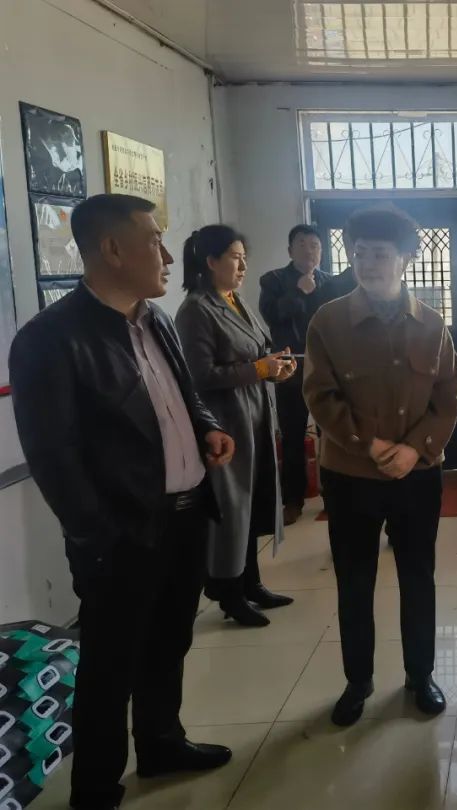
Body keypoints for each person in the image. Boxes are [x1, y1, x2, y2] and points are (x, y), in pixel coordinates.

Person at [9, 195, 236, 810]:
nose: (168, 257)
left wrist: (208, 426)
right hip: (122, 534)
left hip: (187, 514)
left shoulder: (154, 318)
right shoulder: (50, 340)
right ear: (112, 250)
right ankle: (96, 787)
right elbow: (54, 459)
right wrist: (99, 539)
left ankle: (161, 743)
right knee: (110, 665)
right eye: (155, 241)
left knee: (170, 642)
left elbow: (183, 396)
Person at [304, 206, 457, 726]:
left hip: (417, 475)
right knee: (355, 581)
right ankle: (358, 680)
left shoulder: (431, 324)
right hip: (351, 475)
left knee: (418, 577)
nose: (368, 263)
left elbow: (447, 395)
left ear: (406, 258)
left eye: (380, 254)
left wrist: (416, 449)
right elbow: (320, 395)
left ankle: (421, 675)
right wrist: (367, 445)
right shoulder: (328, 322)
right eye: (360, 253)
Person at [176, 225, 298, 628]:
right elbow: (199, 375)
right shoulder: (196, 309)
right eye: (234, 257)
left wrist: (275, 367)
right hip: (226, 423)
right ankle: (228, 593)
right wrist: (258, 369)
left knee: (252, 500)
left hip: (255, 414)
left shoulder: (235, 299)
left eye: (245, 257)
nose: (243, 266)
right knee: (230, 508)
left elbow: (256, 352)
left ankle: (251, 583)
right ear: (210, 261)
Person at [258, 225, 334, 525]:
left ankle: (333, 496)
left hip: (326, 367)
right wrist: (298, 291)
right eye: (301, 244)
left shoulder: (330, 282)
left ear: (321, 251)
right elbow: (272, 315)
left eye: (314, 244)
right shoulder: (274, 280)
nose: (309, 250)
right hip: (291, 367)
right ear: (290, 250)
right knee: (292, 435)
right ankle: (293, 500)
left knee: (331, 434)